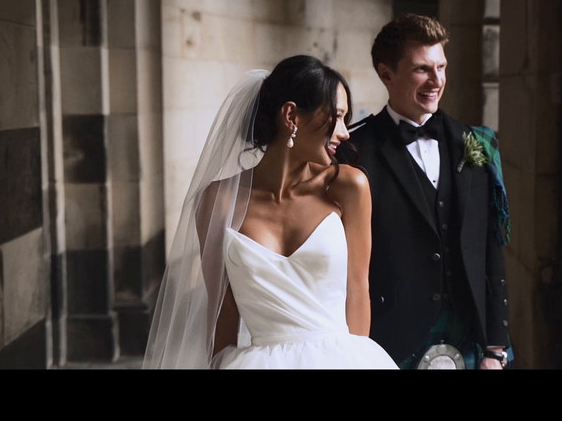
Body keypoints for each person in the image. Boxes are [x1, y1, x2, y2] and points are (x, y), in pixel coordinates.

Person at [142, 54, 397, 369]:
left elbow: (357, 290)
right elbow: (222, 309)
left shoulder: (348, 187)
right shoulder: (218, 199)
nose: (344, 132)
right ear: (291, 115)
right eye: (337, 116)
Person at [339, 13, 512, 369]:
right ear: (387, 74)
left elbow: (490, 250)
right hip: (387, 341)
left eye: (441, 67)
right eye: (422, 69)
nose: (437, 80)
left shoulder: (478, 144)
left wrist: (496, 347)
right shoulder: (354, 151)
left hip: (469, 338)